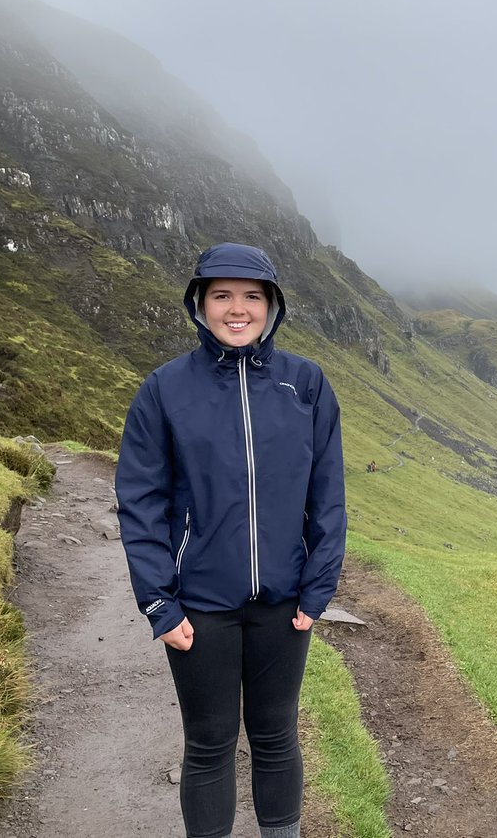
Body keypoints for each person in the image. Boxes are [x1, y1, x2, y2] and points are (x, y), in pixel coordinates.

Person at [115, 242, 346, 838]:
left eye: (252, 296)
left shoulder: (307, 385)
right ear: (200, 303)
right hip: (198, 606)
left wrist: (316, 591)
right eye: (222, 295)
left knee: (275, 734)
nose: (237, 309)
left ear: (272, 306)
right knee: (210, 743)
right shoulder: (164, 390)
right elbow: (140, 503)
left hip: (283, 604)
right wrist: (159, 604)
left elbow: (327, 496)